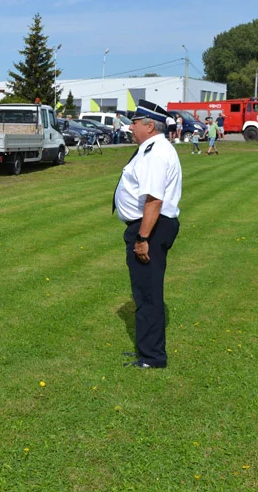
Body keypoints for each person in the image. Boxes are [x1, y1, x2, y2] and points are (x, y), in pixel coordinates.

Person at [113, 99, 181, 369]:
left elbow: (154, 200)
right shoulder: (151, 148)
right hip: (148, 226)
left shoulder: (156, 152)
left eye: (135, 122)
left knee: (148, 294)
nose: (130, 127)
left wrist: (142, 239)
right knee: (144, 291)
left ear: (150, 125)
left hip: (150, 228)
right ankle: (146, 350)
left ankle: (153, 357)